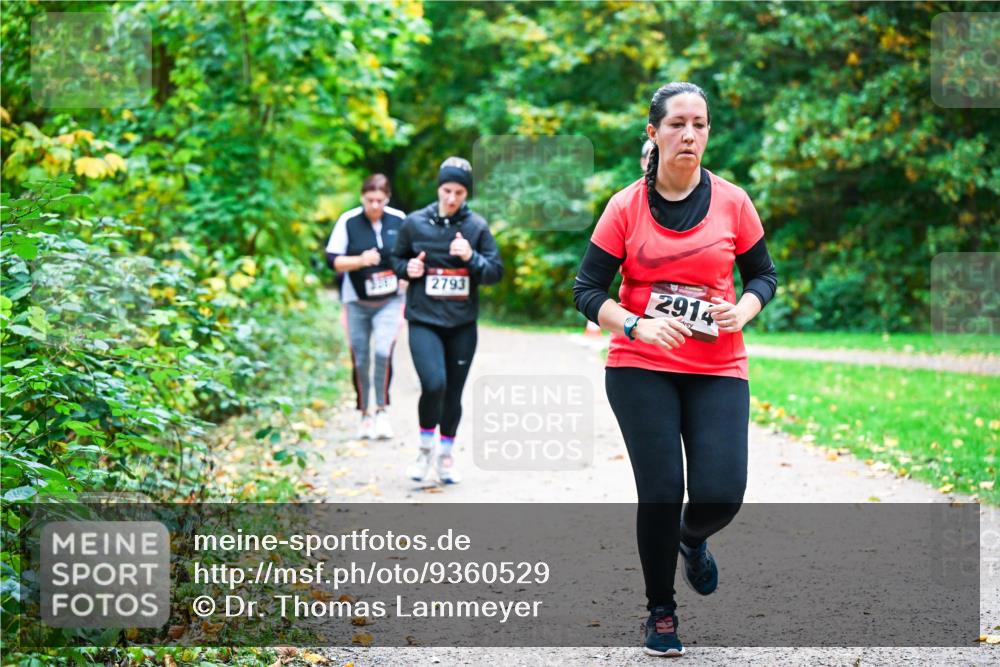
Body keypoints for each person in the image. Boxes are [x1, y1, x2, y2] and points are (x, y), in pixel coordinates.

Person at [573, 82, 777, 657]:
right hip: (641, 364)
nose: (690, 134)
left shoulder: (734, 201)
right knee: (662, 489)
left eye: (700, 124)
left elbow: (764, 276)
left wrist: (743, 309)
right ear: (654, 133)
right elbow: (587, 290)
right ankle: (660, 612)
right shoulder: (624, 206)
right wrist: (636, 325)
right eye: (677, 124)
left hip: (717, 364)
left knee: (721, 494)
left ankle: (692, 540)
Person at [391, 157, 503, 484]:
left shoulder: (476, 228)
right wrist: (407, 269)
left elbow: (495, 272)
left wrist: (471, 258)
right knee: (434, 384)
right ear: (438, 188)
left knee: (453, 392)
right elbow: (397, 259)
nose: (452, 198)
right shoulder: (414, 224)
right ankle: (425, 449)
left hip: (461, 325)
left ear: (466, 194)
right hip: (424, 319)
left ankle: (446, 455)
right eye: (447, 190)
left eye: (459, 192)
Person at [325, 174, 407, 440]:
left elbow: (414, 254)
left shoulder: (399, 220)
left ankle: (382, 411)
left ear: (388, 199)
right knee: (360, 358)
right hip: (356, 301)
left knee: (383, 352)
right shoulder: (348, 221)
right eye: (370, 200)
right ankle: (365, 415)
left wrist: (405, 279)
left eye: (380, 200)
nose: (375, 205)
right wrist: (360, 260)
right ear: (362, 198)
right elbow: (333, 261)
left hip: (390, 301)